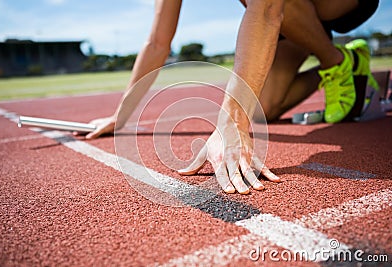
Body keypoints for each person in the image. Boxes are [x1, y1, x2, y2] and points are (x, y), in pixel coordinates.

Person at [76, 0, 378, 194]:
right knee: (264, 106)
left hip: (333, 4)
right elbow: (157, 43)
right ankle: (352, 63)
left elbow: (267, 9)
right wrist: (122, 114)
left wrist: (231, 121)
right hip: (293, 16)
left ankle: (334, 62)